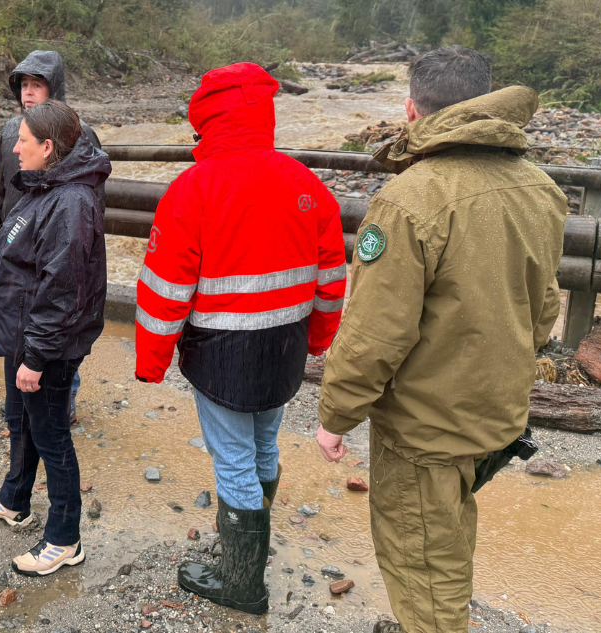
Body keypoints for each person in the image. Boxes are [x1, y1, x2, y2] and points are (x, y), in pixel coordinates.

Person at [315, 46, 567, 633]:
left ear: (411, 110)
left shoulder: (411, 199)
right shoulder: (541, 187)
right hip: (496, 410)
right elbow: (544, 307)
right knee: (449, 534)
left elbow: (376, 332)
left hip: (425, 426)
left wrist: (336, 416)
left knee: (423, 565)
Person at [134, 62, 346, 615]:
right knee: (263, 445)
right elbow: (331, 281)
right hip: (286, 348)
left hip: (222, 354)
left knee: (232, 459)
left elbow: (164, 289)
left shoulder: (192, 189)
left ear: (207, 121)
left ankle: (242, 583)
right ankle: (247, 541)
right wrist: (318, 341)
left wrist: (152, 361)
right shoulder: (307, 185)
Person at [0, 100, 110, 577]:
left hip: (47, 345)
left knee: (51, 435)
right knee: (22, 419)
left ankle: (65, 538)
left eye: (23, 141)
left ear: (48, 147)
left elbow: (62, 289)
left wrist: (36, 357)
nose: (15, 148)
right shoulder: (48, 185)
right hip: (26, 334)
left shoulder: (71, 202)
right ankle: (15, 499)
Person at [0, 50, 103, 425]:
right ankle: (20, 404)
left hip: (55, 249)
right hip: (16, 248)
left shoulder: (78, 135)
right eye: (24, 84)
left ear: (55, 88)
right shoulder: (10, 132)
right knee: (17, 325)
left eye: (37, 84)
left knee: (58, 323)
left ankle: (61, 402)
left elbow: (91, 204)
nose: (29, 92)